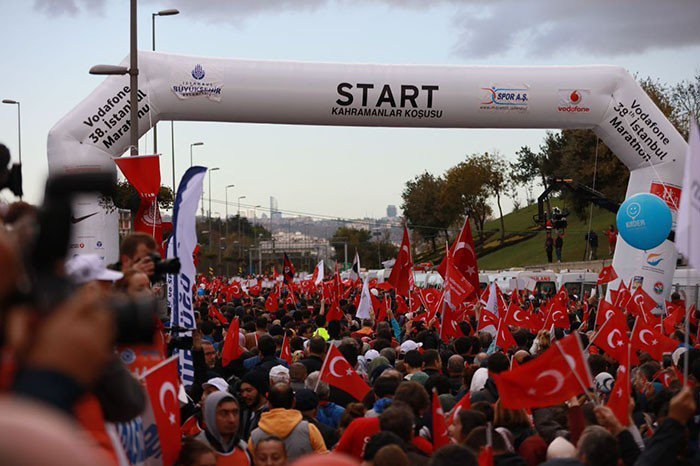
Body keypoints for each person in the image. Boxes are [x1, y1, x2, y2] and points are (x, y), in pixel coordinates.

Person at [248, 383, 328, 460]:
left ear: (269, 404)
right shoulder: (309, 430)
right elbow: (324, 460)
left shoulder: (254, 437)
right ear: (294, 402)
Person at [195, 392, 252, 466]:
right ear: (210, 415)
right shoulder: (194, 451)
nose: (232, 419)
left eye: (235, 412)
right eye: (224, 413)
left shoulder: (244, 450)